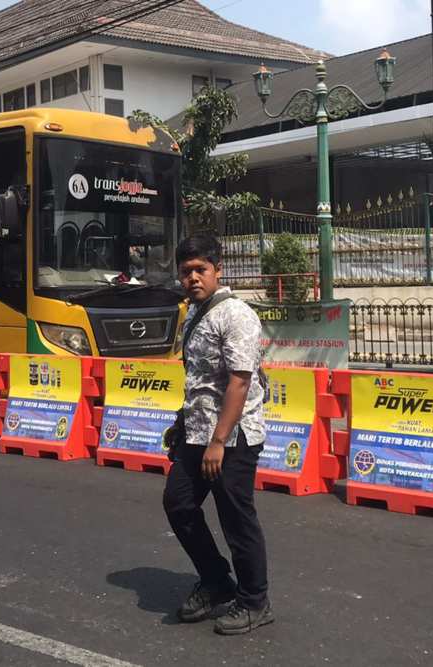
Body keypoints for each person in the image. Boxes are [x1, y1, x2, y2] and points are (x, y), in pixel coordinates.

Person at [162, 233, 272, 635]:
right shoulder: (194, 312)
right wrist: (182, 421)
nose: (192, 278)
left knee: (236, 519)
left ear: (217, 270)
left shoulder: (236, 315)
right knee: (178, 504)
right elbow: (200, 379)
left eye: (200, 270)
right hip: (197, 432)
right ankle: (216, 580)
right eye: (186, 271)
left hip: (233, 437)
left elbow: (239, 382)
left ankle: (254, 600)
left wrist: (219, 442)